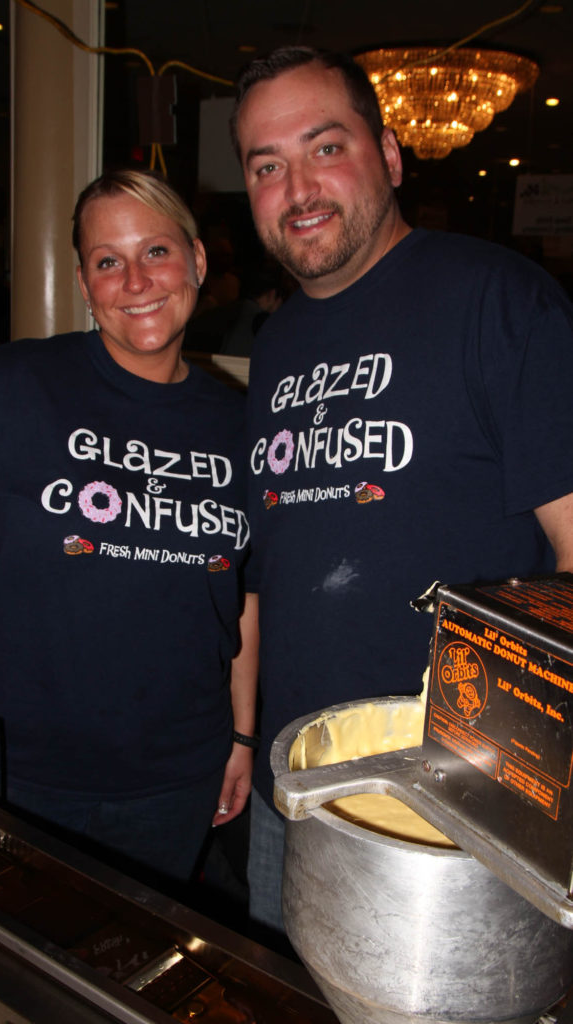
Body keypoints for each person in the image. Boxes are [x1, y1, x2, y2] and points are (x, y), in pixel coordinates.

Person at [230, 45, 573, 932]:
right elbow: (273, 567)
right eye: (267, 166)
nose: (298, 188)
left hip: (460, 815)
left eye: (325, 147)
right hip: (294, 787)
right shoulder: (276, 342)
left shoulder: (500, 299)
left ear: (387, 154)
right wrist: (247, 738)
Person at [0, 169, 258, 888]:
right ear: (83, 284)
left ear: (195, 260)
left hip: (172, 774)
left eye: (156, 251)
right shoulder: (9, 385)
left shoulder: (239, 425)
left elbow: (246, 595)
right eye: (107, 261)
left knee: (134, 944)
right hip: (15, 764)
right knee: (6, 942)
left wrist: (241, 733)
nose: (136, 280)